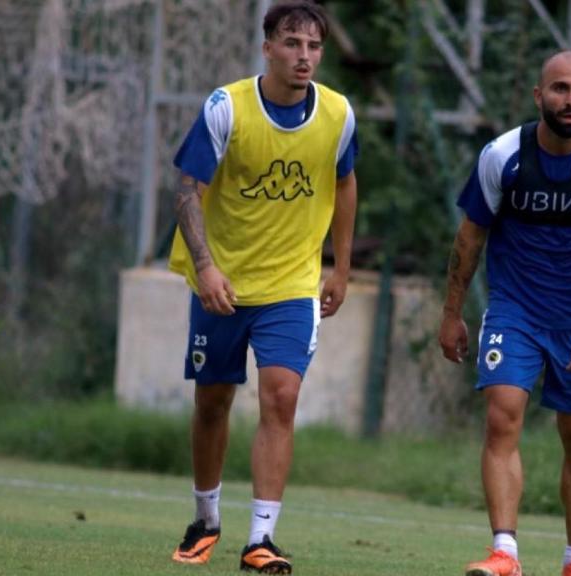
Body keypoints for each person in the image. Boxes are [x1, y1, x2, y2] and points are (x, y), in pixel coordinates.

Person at [439, 50, 571, 576]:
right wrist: (452, 313)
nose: (570, 100)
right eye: (560, 89)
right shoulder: (502, 156)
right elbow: (469, 239)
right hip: (514, 310)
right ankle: (505, 553)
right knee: (501, 415)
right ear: (539, 96)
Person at [166, 2, 357, 573]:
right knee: (212, 401)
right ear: (268, 47)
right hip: (222, 283)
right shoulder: (227, 108)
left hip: (291, 285)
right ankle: (206, 520)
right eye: (292, 43)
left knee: (281, 396)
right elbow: (187, 190)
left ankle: (261, 539)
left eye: (314, 46)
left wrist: (340, 267)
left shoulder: (339, 114)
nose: (304, 56)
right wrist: (206, 268)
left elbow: (345, 184)